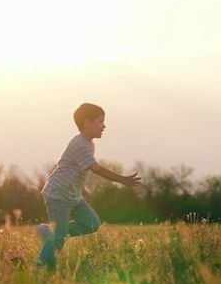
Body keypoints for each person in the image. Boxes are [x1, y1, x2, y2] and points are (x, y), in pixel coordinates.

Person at [36, 103, 142, 268]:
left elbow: (75, 168)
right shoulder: (79, 143)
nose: (104, 126)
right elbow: (96, 169)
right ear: (87, 123)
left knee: (91, 224)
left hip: (73, 195)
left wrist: (82, 189)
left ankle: (48, 231)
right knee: (58, 238)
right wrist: (122, 179)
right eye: (100, 122)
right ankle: (40, 267)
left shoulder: (89, 144)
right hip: (58, 195)